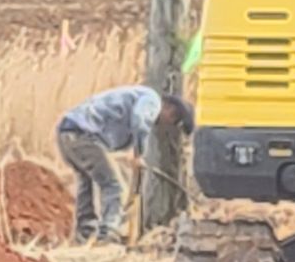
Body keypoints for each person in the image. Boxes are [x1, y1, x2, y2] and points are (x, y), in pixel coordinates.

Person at [56, 85, 194, 243]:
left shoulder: (136, 99)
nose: (169, 124)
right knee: (114, 185)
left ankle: (85, 232)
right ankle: (108, 233)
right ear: (170, 109)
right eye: (174, 120)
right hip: (83, 134)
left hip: (67, 132)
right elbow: (140, 119)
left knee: (86, 183)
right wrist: (139, 153)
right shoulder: (152, 100)